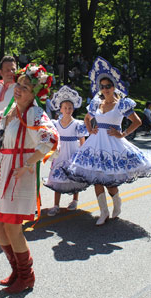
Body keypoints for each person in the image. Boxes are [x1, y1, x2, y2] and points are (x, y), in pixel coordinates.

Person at [0, 63, 58, 293]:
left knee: (12, 228)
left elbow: (50, 139)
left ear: (35, 94)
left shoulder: (34, 113)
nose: (19, 89)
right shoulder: (10, 111)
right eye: (18, 84)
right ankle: (17, 269)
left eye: (25, 87)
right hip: (4, 170)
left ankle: (26, 276)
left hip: (20, 173)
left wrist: (28, 164)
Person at [66, 57, 151, 225]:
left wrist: (122, 134)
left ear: (114, 86)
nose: (105, 89)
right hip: (95, 143)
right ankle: (103, 212)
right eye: (102, 86)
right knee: (96, 179)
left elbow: (137, 121)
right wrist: (90, 129)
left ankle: (117, 203)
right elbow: (87, 118)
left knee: (109, 182)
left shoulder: (121, 104)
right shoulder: (96, 103)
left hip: (112, 144)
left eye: (108, 86)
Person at [44, 86, 89, 216]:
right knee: (57, 178)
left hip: (73, 151)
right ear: (61, 109)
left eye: (70, 108)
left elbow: (82, 140)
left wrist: (82, 154)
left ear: (73, 109)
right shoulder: (55, 124)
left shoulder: (77, 124)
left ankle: (75, 200)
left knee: (74, 177)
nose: (67, 110)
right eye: (65, 108)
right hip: (60, 152)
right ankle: (56, 205)